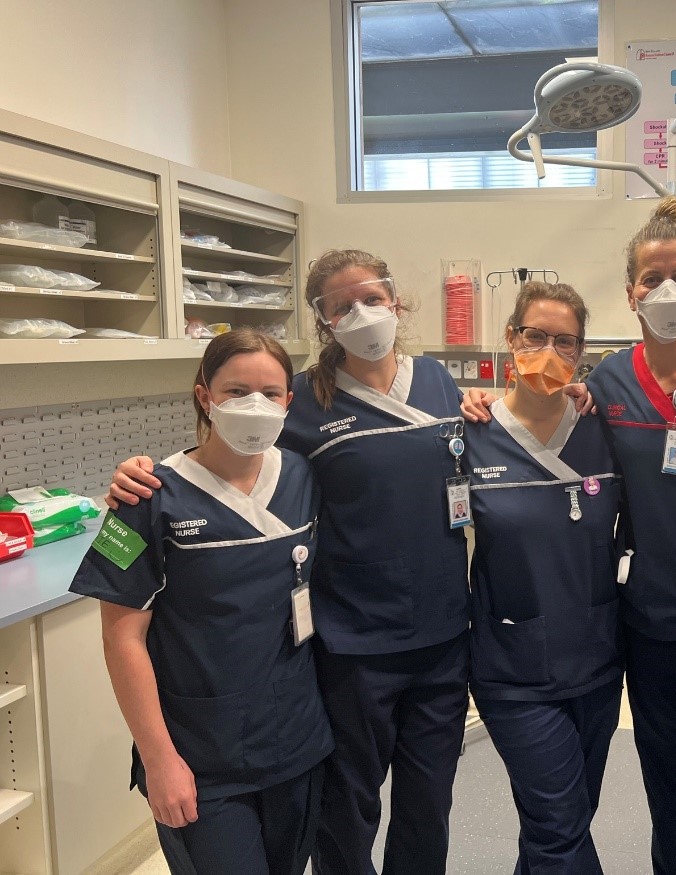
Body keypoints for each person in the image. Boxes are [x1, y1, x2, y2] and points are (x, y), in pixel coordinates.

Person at [107, 250, 471, 875]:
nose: (361, 314)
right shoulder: (299, 402)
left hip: (442, 637)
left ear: (396, 299)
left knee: (428, 805)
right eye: (341, 306)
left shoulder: (438, 381)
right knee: (349, 811)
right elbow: (225, 459)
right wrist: (135, 477)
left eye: (371, 298)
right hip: (351, 644)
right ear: (323, 321)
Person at [468, 196, 676, 873]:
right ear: (630, 291)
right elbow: (546, 415)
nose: (665, 290)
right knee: (668, 797)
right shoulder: (608, 381)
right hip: (645, 632)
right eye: (650, 278)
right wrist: (487, 400)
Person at [71, 329, 333, 874]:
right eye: (236, 392)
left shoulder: (303, 475)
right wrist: (158, 759)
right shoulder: (145, 497)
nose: (253, 405)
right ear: (204, 396)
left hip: (295, 743)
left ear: (289, 401)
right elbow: (122, 638)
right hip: (200, 758)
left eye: (269, 392)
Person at [466, 280, 623, 874]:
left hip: (598, 661)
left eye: (566, 341)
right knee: (559, 826)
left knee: (563, 820)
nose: (549, 351)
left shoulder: (604, 433)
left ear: (582, 353)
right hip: (513, 671)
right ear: (511, 339)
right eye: (536, 336)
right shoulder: (468, 437)